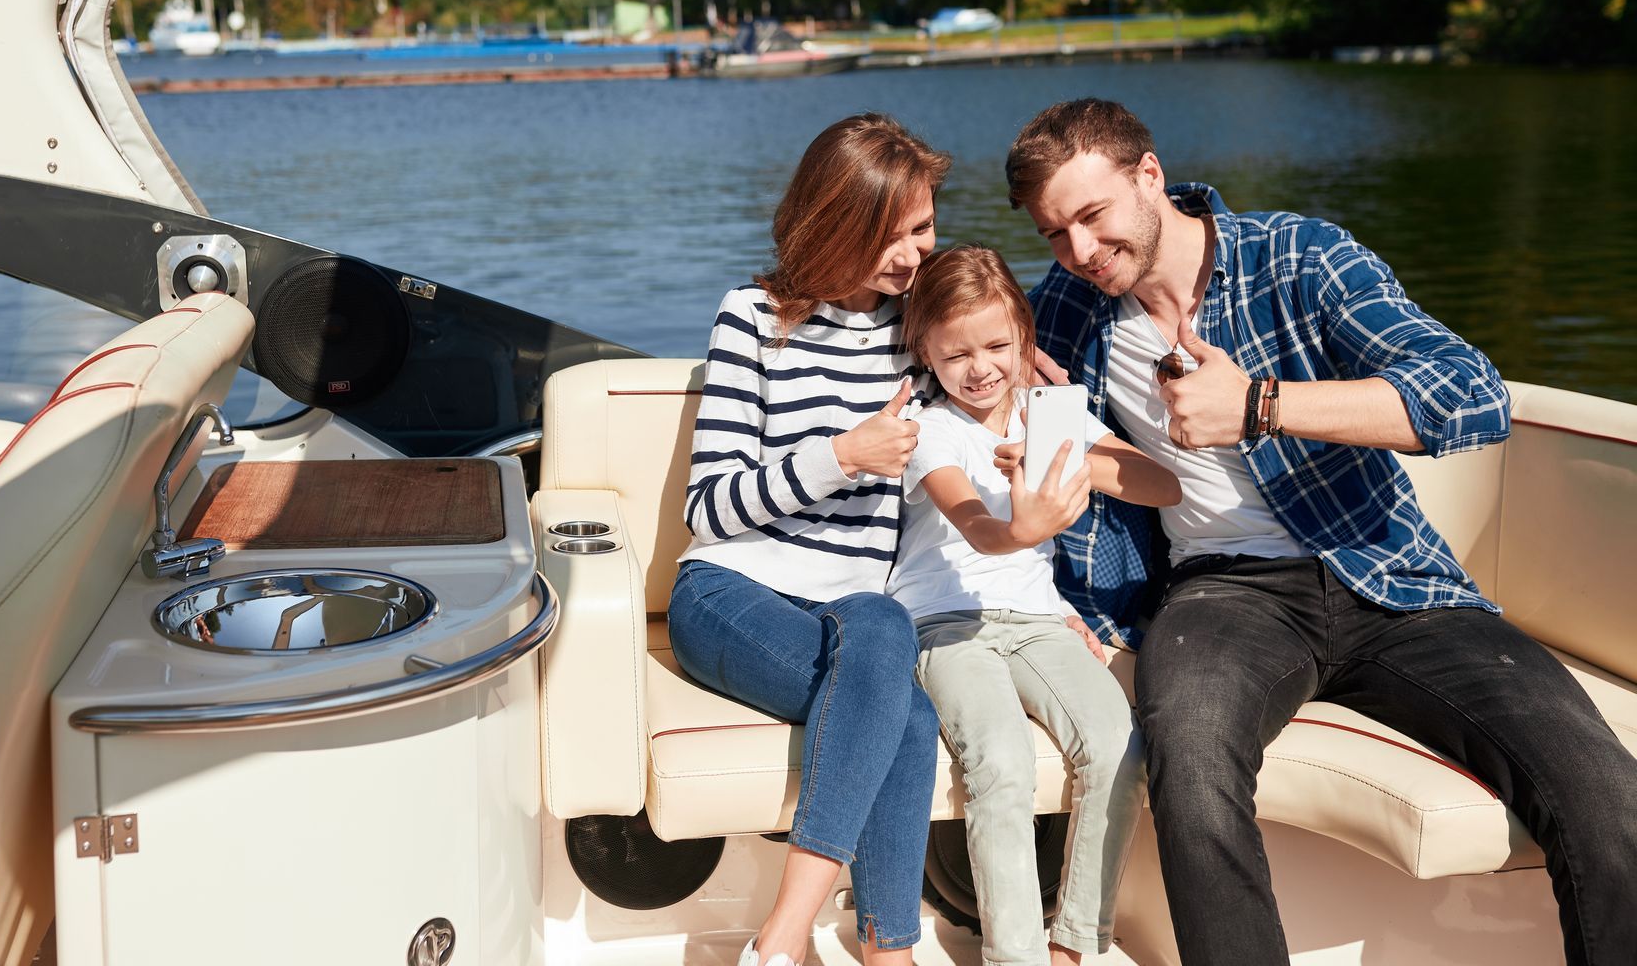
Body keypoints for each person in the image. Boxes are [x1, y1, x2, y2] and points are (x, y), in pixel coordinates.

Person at [1005, 96, 1637, 966]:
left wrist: (1259, 405)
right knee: (1189, 762)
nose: (1079, 252)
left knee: (1604, 790)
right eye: (1053, 234)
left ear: (1149, 176)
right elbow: (945, 338)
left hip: (1390, 575)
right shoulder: (1068, 313)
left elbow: (1471, 395)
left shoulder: (1299, 256)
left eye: (1092, 215)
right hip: (1224, 594)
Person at [671, 112, 949, 966]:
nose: (913, 255)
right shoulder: (753, 317)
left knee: (890, 647)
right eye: (889, 236)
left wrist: (1019, 368)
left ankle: (804, 940)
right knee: (901, 708)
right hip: (728, 595)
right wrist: (842, 457)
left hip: (858, 616)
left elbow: (989, 395)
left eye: (924, 228)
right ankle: (852, 946)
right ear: (833, 224)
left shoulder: (922, 331)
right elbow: (708, 508)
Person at [893, 244, 1178, 966]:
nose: (980, 368)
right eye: (956, 354)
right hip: (945, 624)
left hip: (1039, 621)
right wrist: (1024, 526)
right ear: (925, 351)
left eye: (996, 345)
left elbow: (1161, 485)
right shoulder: (930, 429)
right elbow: (979, 528)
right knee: (1001, 760)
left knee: (1119, 744)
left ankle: (1073, 946)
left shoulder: (1050, 416)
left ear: (1024, 335)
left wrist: (1073, 458)